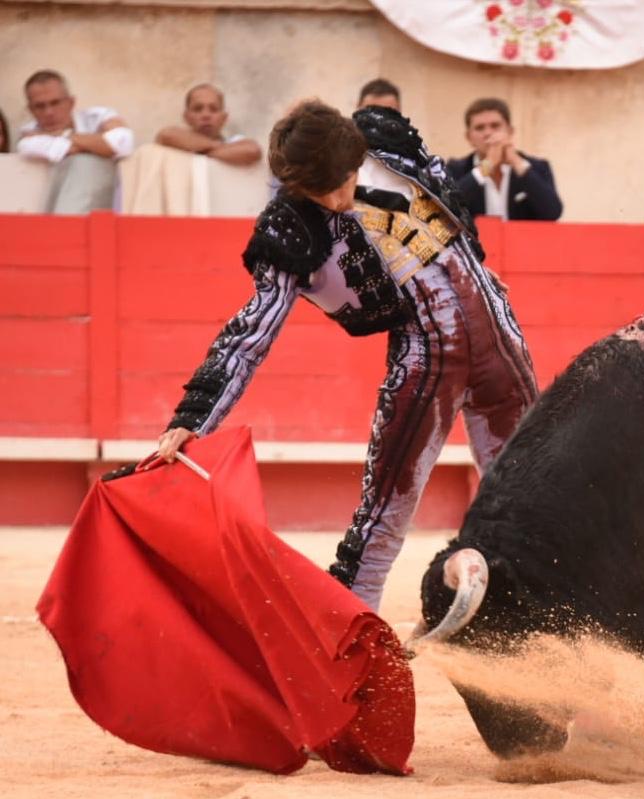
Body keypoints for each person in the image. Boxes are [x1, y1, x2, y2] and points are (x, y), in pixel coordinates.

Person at [155, 100, 538, 610]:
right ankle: (350, 664)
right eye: (318, 192)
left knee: (532, 497)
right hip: (425, 360)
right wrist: (193, 416)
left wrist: (475, 265)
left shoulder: (385, 135)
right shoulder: (288, 226)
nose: (336, 200)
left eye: (342, 181)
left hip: (500, 337)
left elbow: (447, 196)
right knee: (379, 523)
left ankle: (543, 625)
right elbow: (252, 332)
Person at [16, 70, 133, 213]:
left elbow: (124, 143)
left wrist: (64, 134)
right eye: (40, 106)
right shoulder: (28, 136)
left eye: (55, 103)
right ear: (30, 109)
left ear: (71, 102)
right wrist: (100, 144)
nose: (49, 112)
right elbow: (62, 150)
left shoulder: (96, 116)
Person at [444, 97, 562, 221]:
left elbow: (553, 213)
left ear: (510, 132)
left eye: (495, 126)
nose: (488, 133)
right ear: (469, 137)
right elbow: (448, 207)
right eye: (480, 128)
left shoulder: (537, 167)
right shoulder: (456, 169)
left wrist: (517, 163)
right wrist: (487, 165)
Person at [153, 83, 262, 165]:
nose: (206, 115)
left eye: (213, 109)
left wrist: (197, 150)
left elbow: (252, 150)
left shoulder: (235, 141)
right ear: (186, 116)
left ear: (224, 117)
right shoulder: (175, 140)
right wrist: (224, 150)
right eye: (197, 109)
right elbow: (165, 135)